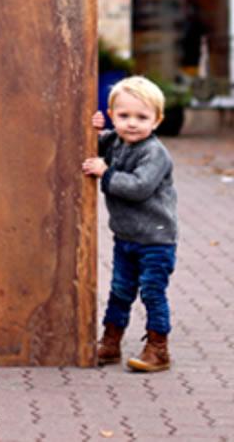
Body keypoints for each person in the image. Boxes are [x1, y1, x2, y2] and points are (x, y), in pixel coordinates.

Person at [82, 75, 178, 372]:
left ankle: (158, 348)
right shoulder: (115, 141)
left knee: (152, 292)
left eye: (141, 117)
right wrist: (92, 128)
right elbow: (91, 147)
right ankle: (111, 342)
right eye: (124, 116)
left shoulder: (154, 153)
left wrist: (106, 173)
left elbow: (139, 187)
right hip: (125, 238)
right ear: (113, 116)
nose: (132, 123)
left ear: (157, 121)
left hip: (156, 240)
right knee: (120, 291)